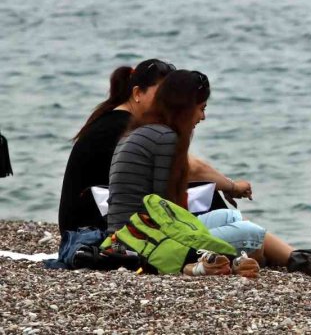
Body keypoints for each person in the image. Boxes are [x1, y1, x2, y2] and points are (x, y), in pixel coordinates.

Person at [107, 69, 308, 276]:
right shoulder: (165, 137)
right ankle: (286, 262)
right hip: (142, 239)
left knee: (231, 216)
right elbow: (164, 210)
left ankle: (291, 260)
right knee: (253, 234)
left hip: (130, 232)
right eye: (201, 108)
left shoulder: (142, 130)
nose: (203, 116)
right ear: (184, 108)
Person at [58, 59, 253, 234]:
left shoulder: (115, 120)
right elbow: (192, 168)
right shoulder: (122, 128)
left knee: (201, 195)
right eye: (161, 95)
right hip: (90, 228)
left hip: (95, 219)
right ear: (137, 93)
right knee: (206, 194)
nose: (165, 102)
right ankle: (262, 245)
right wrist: (232, 186)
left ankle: (256, 242)